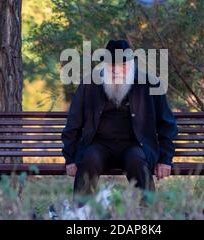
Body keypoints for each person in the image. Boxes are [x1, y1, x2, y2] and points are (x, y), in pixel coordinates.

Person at [62, 39, 177, 203]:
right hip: (99, 145)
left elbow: (167, 124)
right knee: (88, 160)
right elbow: (73, 122)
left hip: (134, 145)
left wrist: (165, 159)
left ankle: (149, 213)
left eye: (122, 65)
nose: (117, 70)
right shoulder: (90, 84)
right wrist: (70, 158)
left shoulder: (150, 83)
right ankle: (82, 214)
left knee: (137, 162)